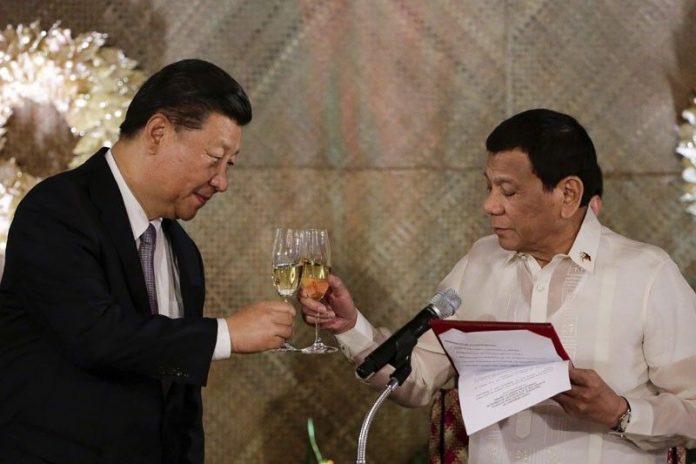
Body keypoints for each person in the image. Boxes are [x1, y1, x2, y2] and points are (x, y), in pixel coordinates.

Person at [301, 109, 696, 463]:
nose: (490, 205)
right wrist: (350, 326)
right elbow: (415, 382)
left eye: (508, 191)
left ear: (567, 194)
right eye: (488, 187)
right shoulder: (479, 263)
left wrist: (621, 412)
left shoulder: (647, 275)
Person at [0, 59, 295, 464]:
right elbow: (95, 335)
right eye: (214, 159)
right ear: (158, 133)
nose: (222, 182)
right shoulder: (57, 210)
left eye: (230, 166)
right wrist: (225, 334)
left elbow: (180, 407)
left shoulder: (184, 253)